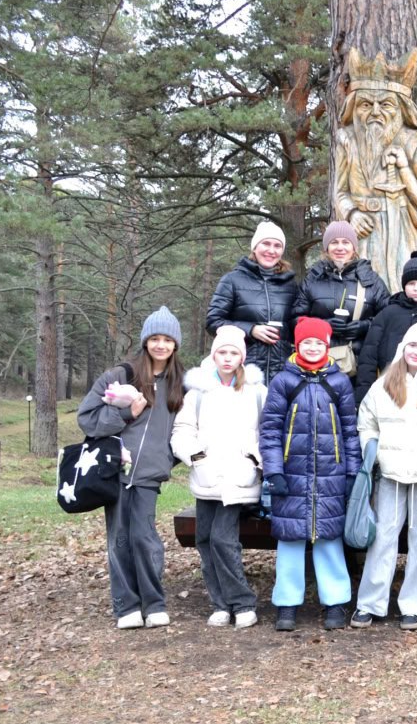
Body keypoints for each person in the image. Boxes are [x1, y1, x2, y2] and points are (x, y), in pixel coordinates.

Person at [77, 306, 185, 630]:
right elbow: (87, 418)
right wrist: (126, 414)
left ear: (175, 344)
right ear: (145, 341)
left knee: (144, 537)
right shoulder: (120, 375)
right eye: (155, 338)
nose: (161, 345)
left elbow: (186, 429)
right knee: (120, 538)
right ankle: (126, 606)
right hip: (116, 470)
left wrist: (166, 459)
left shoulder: (182, 384)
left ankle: (154, 603)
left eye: (167, 340)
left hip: (150, 474)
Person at [259, 317, 361, 631]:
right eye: (307, 343)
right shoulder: (283, 381)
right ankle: (287, 604)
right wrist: (274, 470)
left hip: (331, 474)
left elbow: (350, 431)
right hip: (291, 474)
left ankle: (335, 603)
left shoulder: (339, 382)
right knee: (290, 540)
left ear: (327, 346)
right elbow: (270, 430)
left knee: (329, 539)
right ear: (297, 345)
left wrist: (352, 472)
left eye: (319, 343)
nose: (313, 348)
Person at [351, 321, 417, 631]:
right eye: (413, 345)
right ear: (403, 347)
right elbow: (366, 422)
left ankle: (414, 605)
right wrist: (374, 453)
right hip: (391, 473)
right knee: (382, 538)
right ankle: (370, 603)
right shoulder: (383, 384)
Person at [170, 326, 267, 629]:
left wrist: (255, 459)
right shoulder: (198, 393)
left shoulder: (256, 392)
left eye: (233, 353)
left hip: (239, 478)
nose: (227, 358)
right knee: (204, 539)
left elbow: (267, 431)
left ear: (242, 357)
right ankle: (220, 604)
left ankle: (243, 603)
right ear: (213, 355)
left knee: (223, 540)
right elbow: (183, 430)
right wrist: (196, 457)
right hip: (207, 477)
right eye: (222, 352)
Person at [331, 47, 417, 294]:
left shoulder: (411, 142)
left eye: (385, 104)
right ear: (355, 107)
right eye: (366, 104)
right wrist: (352, 214)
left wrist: (404, 167)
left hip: (402, 231)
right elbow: (340, 192)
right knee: (360, 297)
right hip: (363, 233)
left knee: (403, 292)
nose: (375, 112)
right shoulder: (347, 140)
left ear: (400, 108)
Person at [293, 220, 390, 381]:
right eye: (334, 242)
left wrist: (365, 326)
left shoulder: (371, 280)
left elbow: (388, 318)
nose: (340, 247)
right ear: (326, 248)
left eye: (345, 242)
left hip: (360, 366)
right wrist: (323, 326)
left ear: (354, 247)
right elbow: (295, 320)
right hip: (317, 366)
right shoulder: (312, 279)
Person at [355, 251, 417, 404]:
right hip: (390, 389)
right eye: (411, 283)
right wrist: (363, 398)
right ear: (404, 286)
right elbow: (368, 358)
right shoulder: (388, 314)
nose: (416, 288)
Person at [205, 220, 297, 381]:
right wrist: (250, 330)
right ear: (254, 247)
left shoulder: (290, 284)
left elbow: (296, 324)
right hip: (244, 372)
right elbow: (213, 322)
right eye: (266, 244)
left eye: (277, 246)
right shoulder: (232, 280)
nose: (271, 250)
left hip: (282, 372)